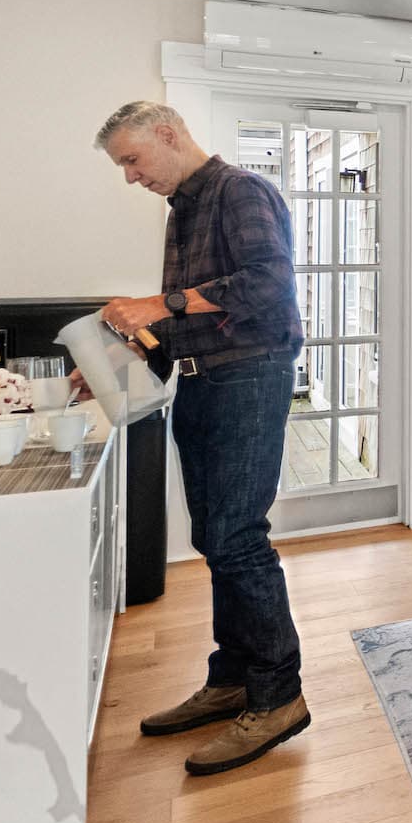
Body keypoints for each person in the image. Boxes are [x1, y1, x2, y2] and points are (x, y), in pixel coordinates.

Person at [89, 100, 310, 776]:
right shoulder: (183, 211)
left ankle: (279, 695)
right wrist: (108, 365)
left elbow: (268, 286)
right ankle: (233, 676)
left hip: (249, 378)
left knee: (238, 535)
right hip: (202, 382)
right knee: (215, 537)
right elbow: (184, 322)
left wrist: (162, 304)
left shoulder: (242, 191)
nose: (130, 176)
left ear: (168, 133)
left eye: (132, 159)